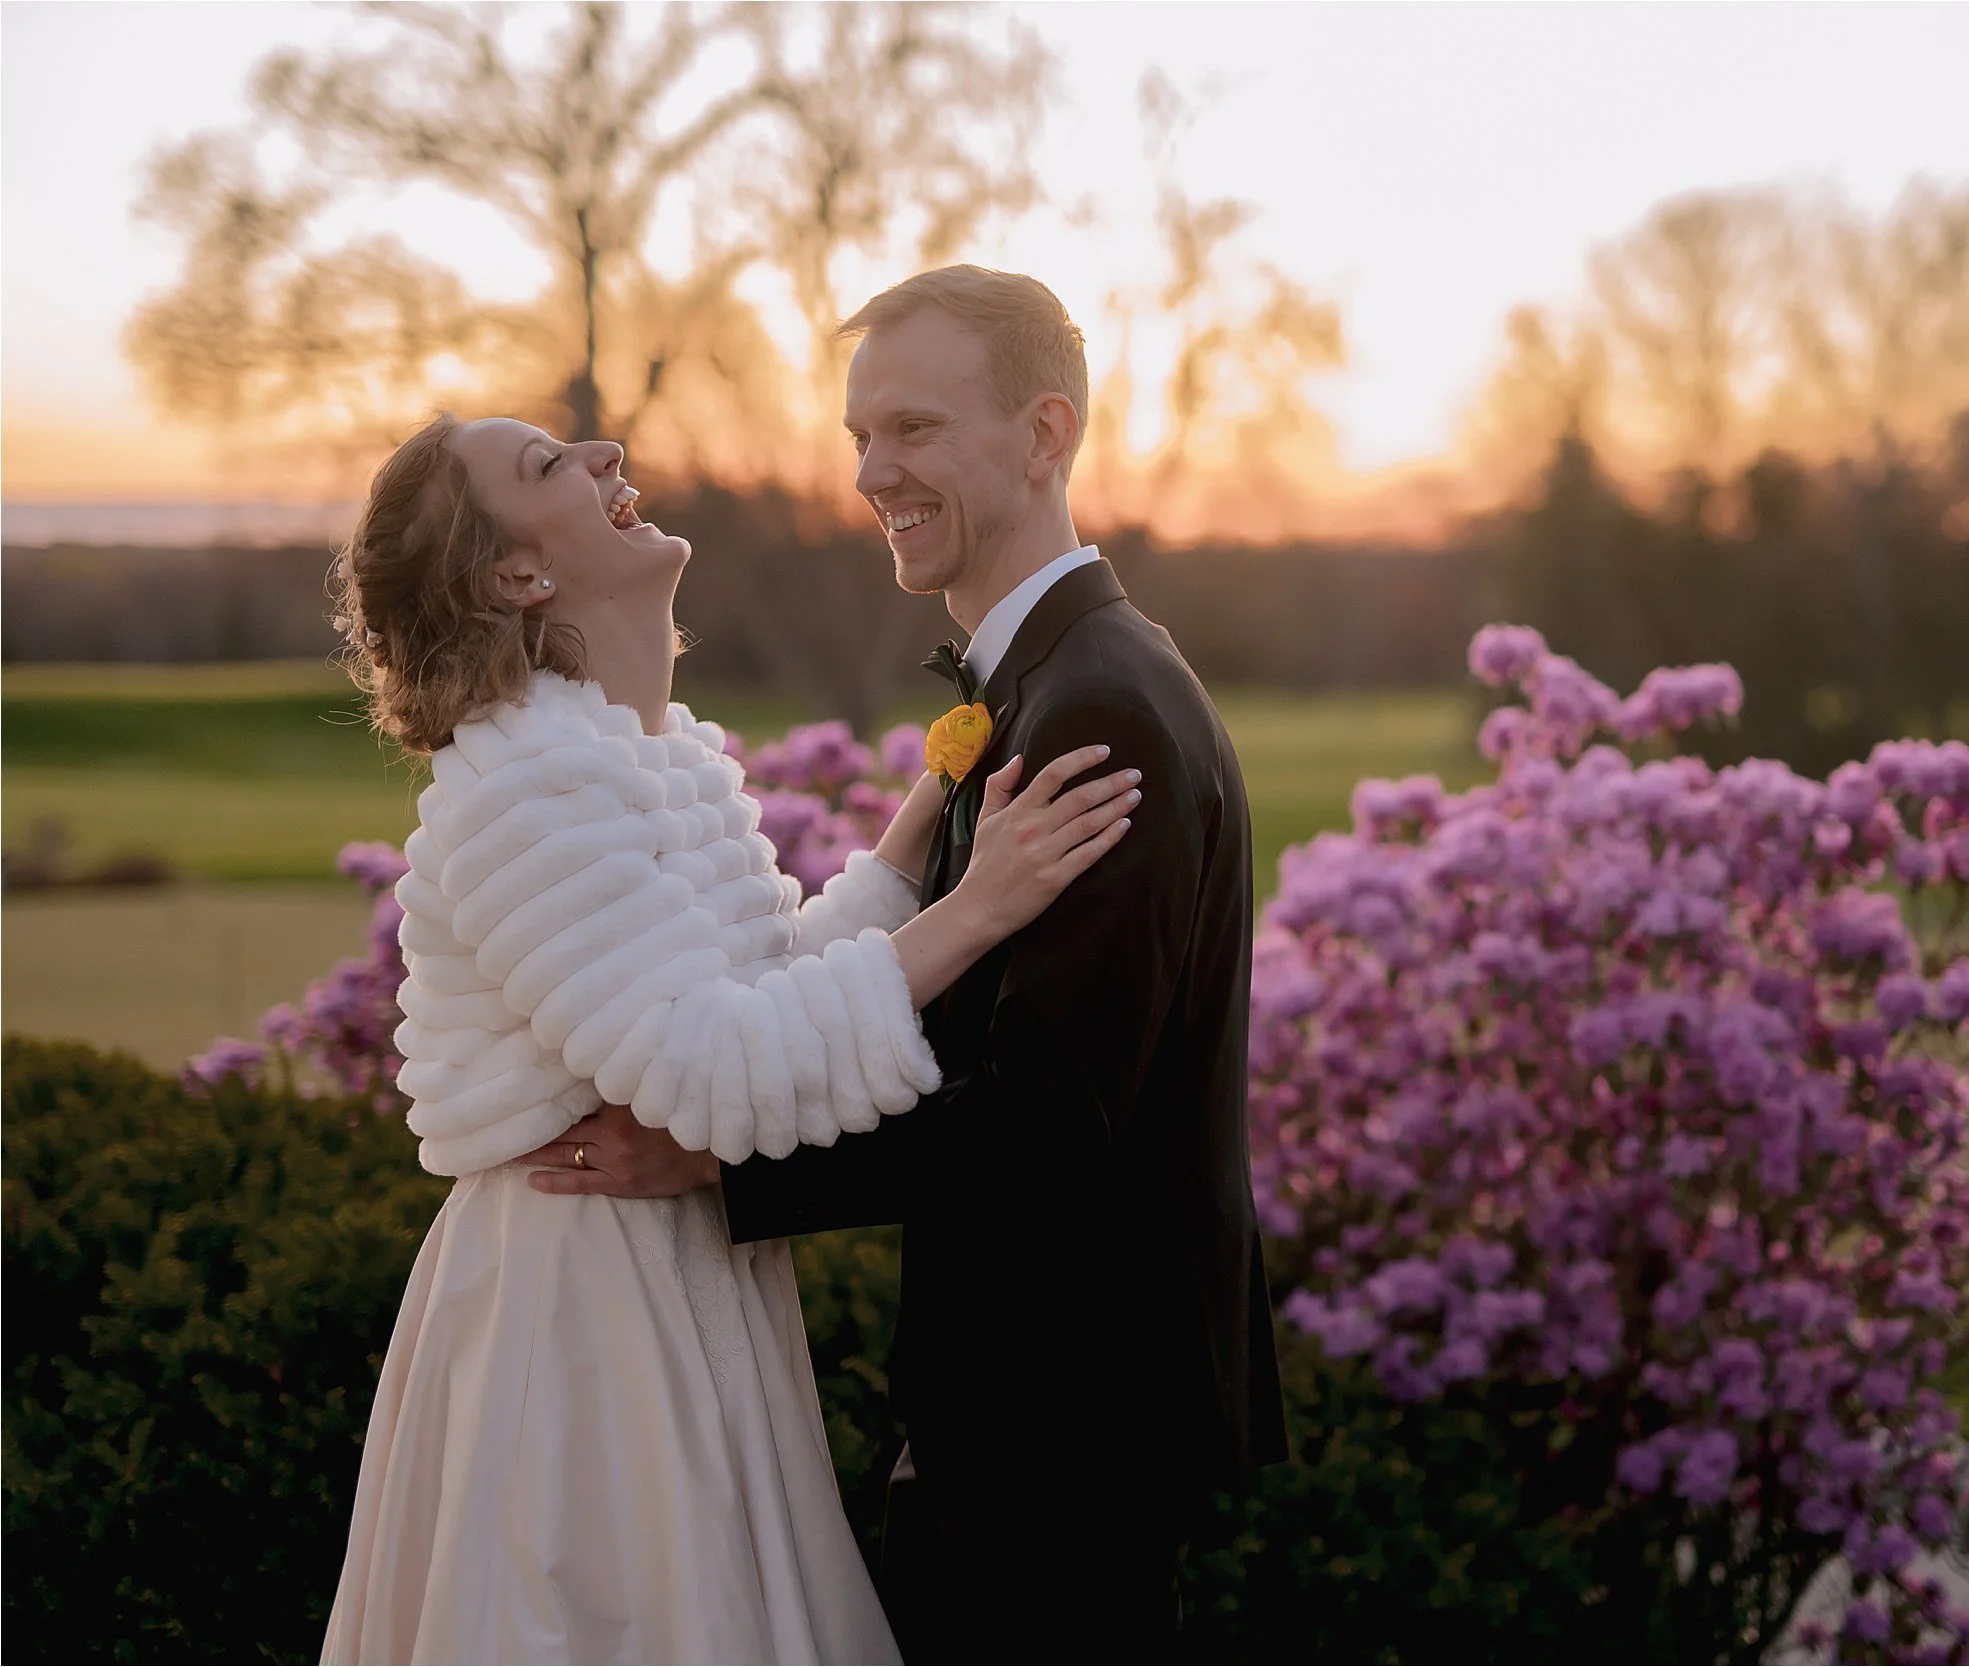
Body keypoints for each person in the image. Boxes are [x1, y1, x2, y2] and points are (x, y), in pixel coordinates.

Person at [542, 267, 1289, 1661]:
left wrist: (714, 1157)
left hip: (1062, 1425)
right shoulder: (1057, 680)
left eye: (918, 429)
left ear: (1044, 432)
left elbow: (1044, 1123)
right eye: (861, 436)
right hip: (1039, 1411)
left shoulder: (1099, 713)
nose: (876, 470)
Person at [318, 409, 1138, 1664]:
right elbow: (713, 1070)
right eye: (549, 467)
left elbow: (766, 997)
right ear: (517, 575)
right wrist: (978, 912)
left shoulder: (655, 757)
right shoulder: (528, 789)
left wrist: (924, 825)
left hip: (675, 1271)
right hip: (583, 1314)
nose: (600, 458)